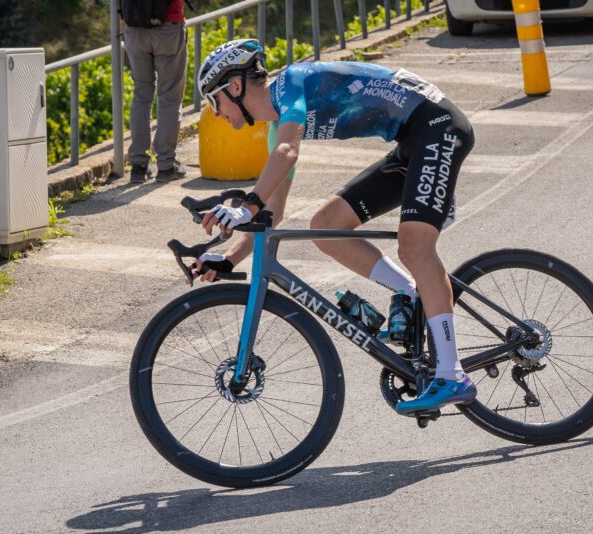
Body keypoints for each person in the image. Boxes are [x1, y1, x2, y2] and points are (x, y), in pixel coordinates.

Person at [193, 39, 476, 416]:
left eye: (214, 101)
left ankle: (452, 373)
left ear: (235, 86)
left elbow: (285, 157)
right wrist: (229, 258)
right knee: (325, 226)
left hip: (437, 126)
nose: (215, 114)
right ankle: (412, 293)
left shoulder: (291, 83)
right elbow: (271, 216)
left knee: (415, 248)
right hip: (413, 140)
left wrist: (247, 205)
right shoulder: (280, 128)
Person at [123, 0, 188, 184]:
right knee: (170, 97)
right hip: (168, 28)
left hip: (135, 28)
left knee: (141, 96)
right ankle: (166, 165)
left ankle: (138, 165)